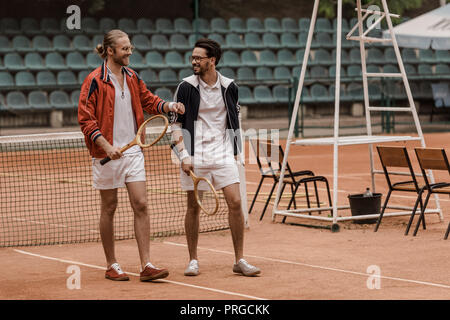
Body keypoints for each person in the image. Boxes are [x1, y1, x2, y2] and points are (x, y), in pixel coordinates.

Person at [78, 29, 185, 282]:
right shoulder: (94, 80)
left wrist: (169, 105)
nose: (129, 52)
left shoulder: (133, 77)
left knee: (142, 204)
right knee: (109, 207)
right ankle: (111, 264)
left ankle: (146, 264)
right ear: (111, 51)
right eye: (125, 48)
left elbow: (148, 101)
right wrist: (105, 146)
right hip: (107, 154)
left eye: (130, 47)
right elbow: (85, 119)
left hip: (133, 151)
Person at [171, 38, 260, 277]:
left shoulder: (230, 86)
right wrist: (184, 155)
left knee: (236, 203)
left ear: (212, 60)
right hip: (194, 155)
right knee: (193, 207)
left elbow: (233, 119)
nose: (194, 61)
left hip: (222, 155)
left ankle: (239, 259)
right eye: (193, 57)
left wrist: (235, 152)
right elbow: (176, 125)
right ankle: (193, 260)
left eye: (199, 58)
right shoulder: (186, 87)